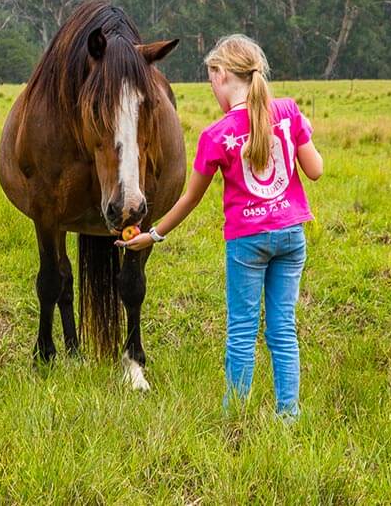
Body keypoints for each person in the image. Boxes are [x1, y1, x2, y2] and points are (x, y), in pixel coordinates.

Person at [117, 34, 323, 417]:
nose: (212, 87)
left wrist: (154, 234)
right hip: (292, 236)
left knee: (242, 332)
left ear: (222, 74)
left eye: (212, 78)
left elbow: (190, 199)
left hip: (248, 244)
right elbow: (315, 171)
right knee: (283, 331)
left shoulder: (215, 136)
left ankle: (235, 417)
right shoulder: (289, 112)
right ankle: (288, 417)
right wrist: (303, 131)